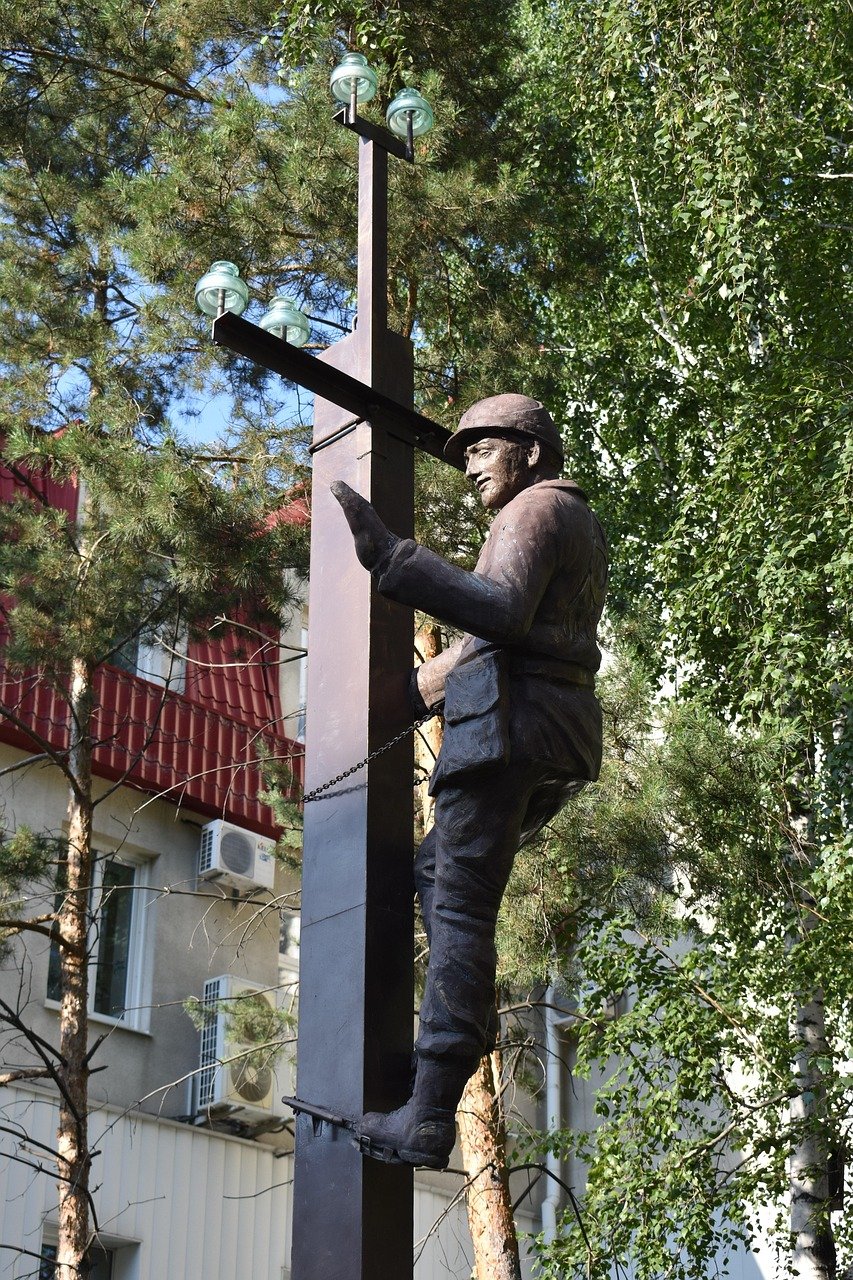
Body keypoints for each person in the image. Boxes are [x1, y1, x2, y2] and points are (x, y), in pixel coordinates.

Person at [331, 392, 608, 1168]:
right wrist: (405, 698)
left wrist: (392, 558)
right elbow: (507, 640)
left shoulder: (532, 509)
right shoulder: (575, 518)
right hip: (556, 733)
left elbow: (501, 613)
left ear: (529, 451)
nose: (469, 470)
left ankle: (427, 1115)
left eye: (481, 451)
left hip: (511, 732)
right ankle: (461, 1036)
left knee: (458, 904)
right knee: (441, 877)